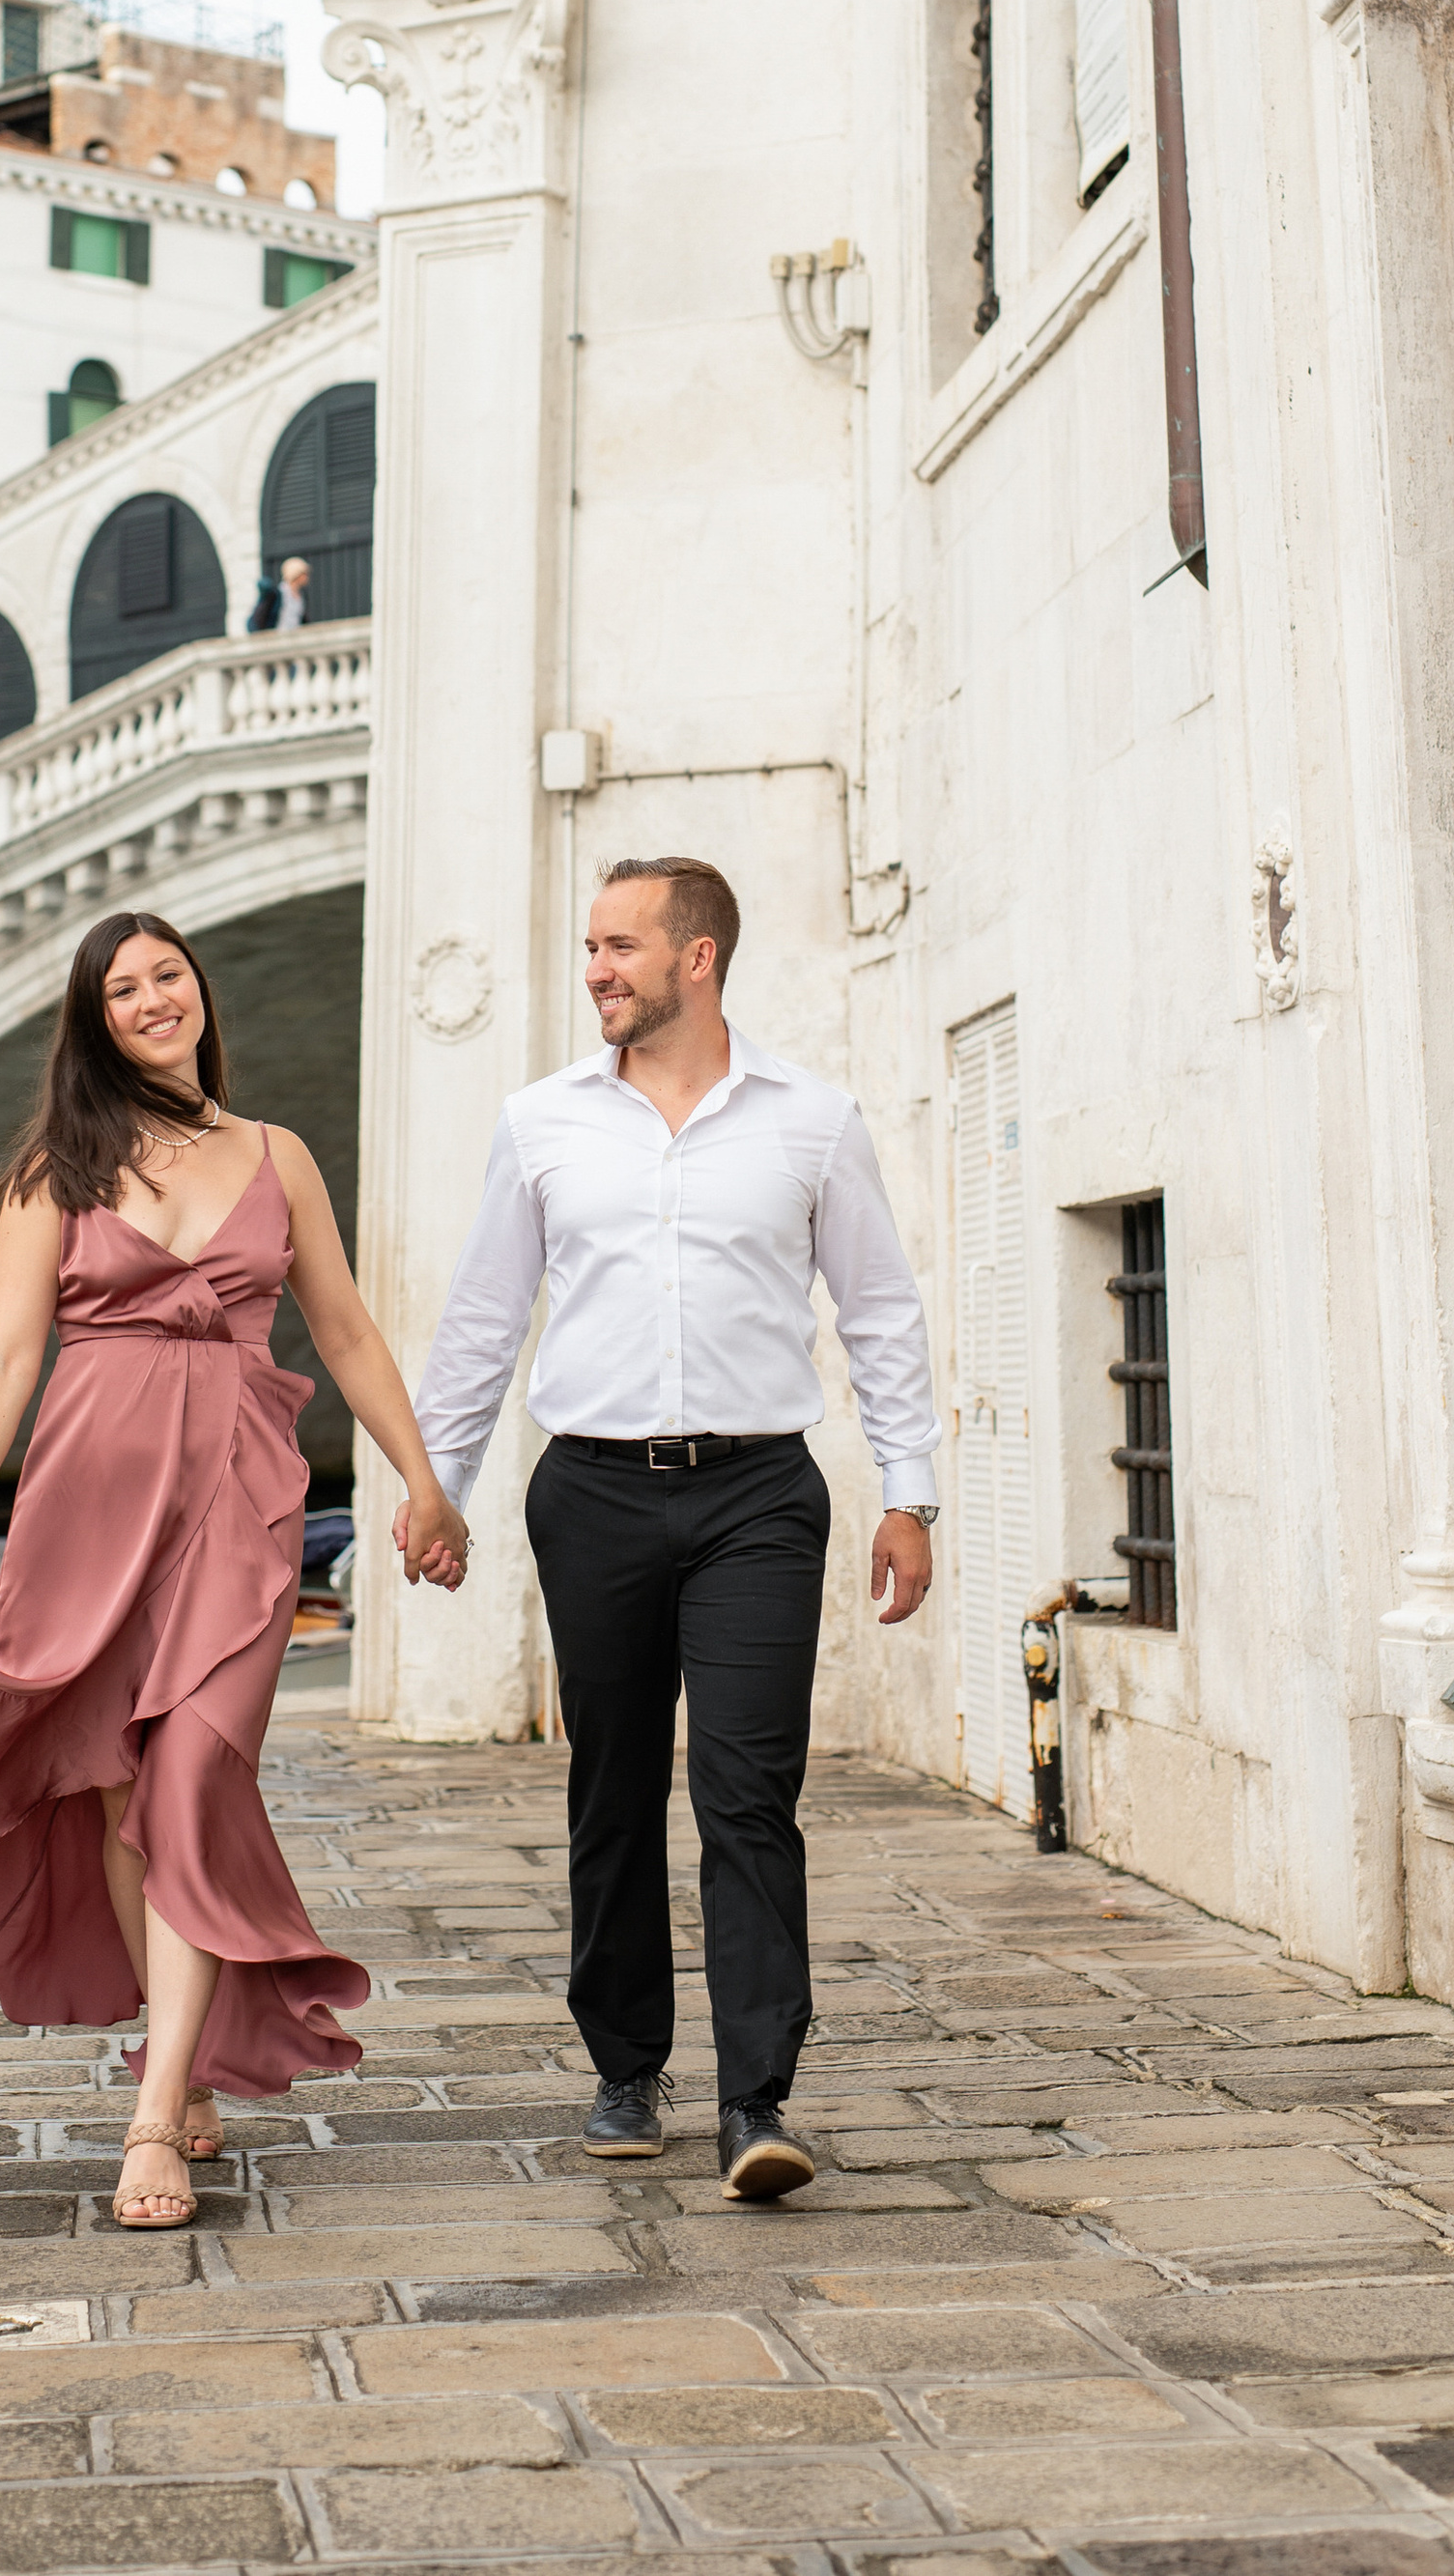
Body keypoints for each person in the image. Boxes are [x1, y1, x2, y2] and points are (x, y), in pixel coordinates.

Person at [0, 911, 470, 2229]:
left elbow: (345, 1331)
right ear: (95, 1016)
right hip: (88, 1512)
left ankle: (151, 2116)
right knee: (121, 1794)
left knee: (190, 1776)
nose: (150, 1000)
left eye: (167, 977)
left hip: (239, 1504)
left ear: (199, 992)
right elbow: (7, 1360)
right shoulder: (53, 1171)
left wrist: (421, 1480)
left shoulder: (275, 1156)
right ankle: (181, 2060)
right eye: (122, 988)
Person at [402, 856, 941, 2202]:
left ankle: (757, 2097)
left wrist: (912, 1491)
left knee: (749, 1792)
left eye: (622, 946)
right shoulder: (541, 1124)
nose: (598, 968)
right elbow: (482, 1318)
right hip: (590, 1491)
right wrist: (436, 1482)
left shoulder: (814, 1122)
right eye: (591, 945)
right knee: (615, 1784)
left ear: (698, 958)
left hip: (760, 1493)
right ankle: (627, 2065)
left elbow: (879, 1312)